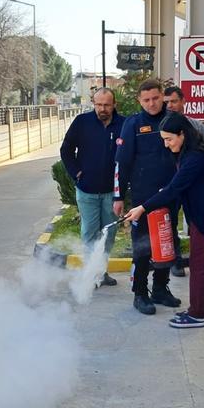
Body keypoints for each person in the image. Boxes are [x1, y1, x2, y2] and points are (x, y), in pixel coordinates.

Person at [124, 113, 204, 328]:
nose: (166, 144)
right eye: (163, 139)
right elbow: (178, 185)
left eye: (169, 139)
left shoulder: (195, 157)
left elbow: (175, 188)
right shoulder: (188, 153)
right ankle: (203, 308)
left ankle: (196, 314)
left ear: (182, 134)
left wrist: (142, 208)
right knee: (201, 265)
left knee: (199, 267)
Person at [114, 78, 182, 315]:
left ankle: (161, 289)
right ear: (139, 101)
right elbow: (121, 163)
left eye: (155, 98)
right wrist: (118, 197)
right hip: (143, 199)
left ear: (162, 96)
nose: (152, 104)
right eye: (146, 100)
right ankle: (140, 293)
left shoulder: (173, 120)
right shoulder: (133, 124)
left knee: (166, 243)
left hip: (171, 195)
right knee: (143, 248)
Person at [59, 87, 125, 286]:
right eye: (98, 104)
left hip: (112, 193)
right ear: (93, 104)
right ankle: (92, 273)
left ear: (114, 105)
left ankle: (101, 271)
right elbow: (66, 150)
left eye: (106, 105)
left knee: (108, 234)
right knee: (89, 232)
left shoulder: (123, 124)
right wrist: (77, 173)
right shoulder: (82, 122)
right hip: (87, 190)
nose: (102, 109)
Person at [163, 85, 203, 278]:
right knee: (169, 223)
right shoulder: (161, 127)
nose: (170, 105)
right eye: (167, 102)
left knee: (195, 223)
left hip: (193, 187)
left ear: (183, 102)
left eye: (174, 101)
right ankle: (176, 261)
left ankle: (199, 261)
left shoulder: (196, 127)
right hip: (170, 184)